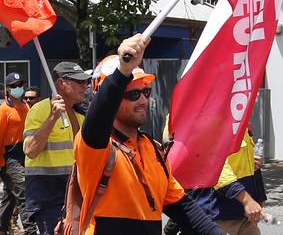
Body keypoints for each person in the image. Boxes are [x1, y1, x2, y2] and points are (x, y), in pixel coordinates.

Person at [75, 34, 223, 234]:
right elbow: (98, 117)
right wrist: (123, 70)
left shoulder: (152, 148)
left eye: (146, 92)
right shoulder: (96, 144)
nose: (143, 100)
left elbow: (182, 206)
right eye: (133, 94)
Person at [24, 62, 89, 235]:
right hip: (48, 196)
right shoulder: (39, 110)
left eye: (85, 81)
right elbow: (30, 150)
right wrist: (53, 117)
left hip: (75, 194)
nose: (85, 85)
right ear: (61, 83)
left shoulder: (80, 115)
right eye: (79, 81)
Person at [0, 73, 38, 235]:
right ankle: (30, 231)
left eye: (19, 85)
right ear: (7, 89)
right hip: (8, 158)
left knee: (10, 197)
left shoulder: (26, 106)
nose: (17, 88)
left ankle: (1, 228)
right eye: (13, 86)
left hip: (24, 154)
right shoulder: (3, 111)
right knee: (25, 194)